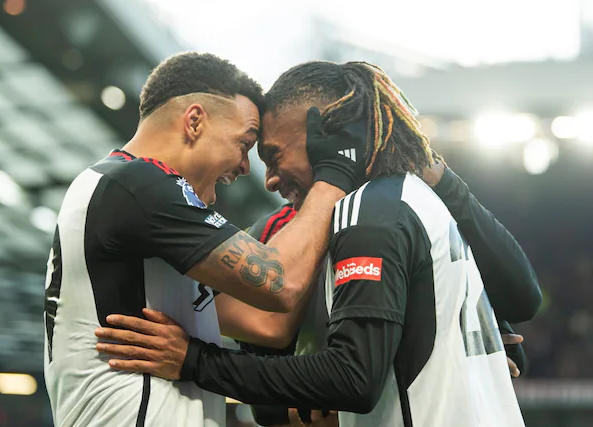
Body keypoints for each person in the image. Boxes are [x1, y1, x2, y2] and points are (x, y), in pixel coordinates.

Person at [94, 60, 542, 427]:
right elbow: (271, 373)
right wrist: (298, 408)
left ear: (322, 134)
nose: (268, 179)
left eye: (272, 155)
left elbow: (520, 301)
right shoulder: (278, 235)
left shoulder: (394, 208)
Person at [44, 53, 370, 427]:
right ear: (195, 121)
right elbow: (280, 281)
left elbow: (268, 323)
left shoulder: (120, 192)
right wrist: (334, 174)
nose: (247, 167)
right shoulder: (140, 185)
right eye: (245, 143)